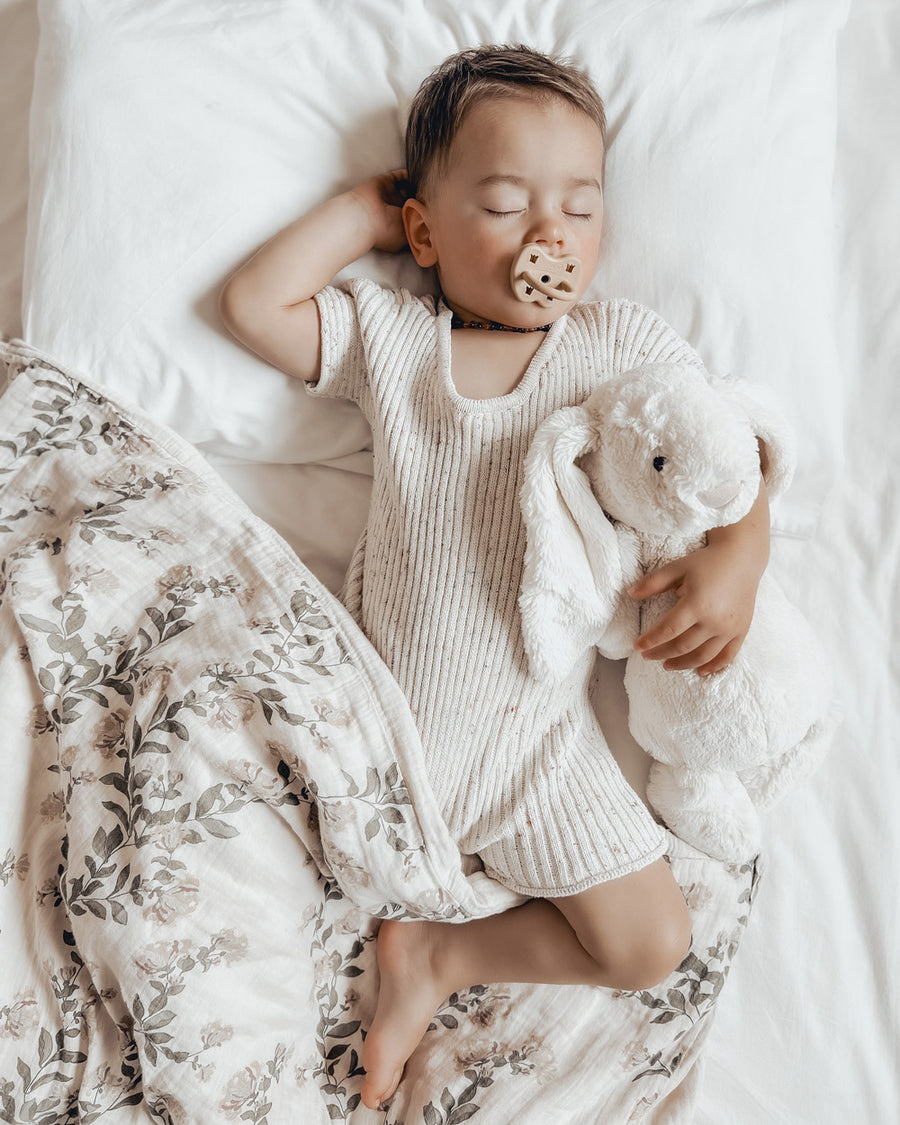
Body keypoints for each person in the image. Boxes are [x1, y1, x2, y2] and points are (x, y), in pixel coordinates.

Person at [219, 45, 772, 1111]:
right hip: (370, 736)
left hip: (533, 755)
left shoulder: (612, 350)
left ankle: (441, 956)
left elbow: (732, 450)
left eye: (578, 207)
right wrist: (360, 214)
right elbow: (254, 306)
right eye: (508, 205)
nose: (548, 238)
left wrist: (736, 558)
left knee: (653, 942)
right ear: (428, 233)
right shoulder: (395, 344)